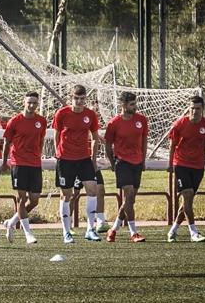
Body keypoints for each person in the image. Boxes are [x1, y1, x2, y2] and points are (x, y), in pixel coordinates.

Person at [52, 84, 102, 243]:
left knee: (93, 190)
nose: (79, 101)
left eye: (82, 98)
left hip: (84, 159)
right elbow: (56, 135)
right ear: (71, 98)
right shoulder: (62, 113)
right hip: (65, 159)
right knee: (66, 195)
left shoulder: (90, 115)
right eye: (76, 98)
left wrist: (93, 160)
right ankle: (66, 232)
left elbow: (95, 137)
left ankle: (90, 229)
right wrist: (58, 154)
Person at [0, 92, 46, 244]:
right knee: (21, 198)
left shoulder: (41, 121)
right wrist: (4, 162)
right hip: (19, 163)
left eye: (34, 102)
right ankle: (28, 234)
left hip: (35, 164)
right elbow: (7, 142)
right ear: (24, 102)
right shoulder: (15, 121)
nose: (32, 105)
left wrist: (38, 155)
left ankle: (11, 222)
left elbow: (41, 140)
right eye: (29, 102)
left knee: (34, 200)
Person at [167, 96, 205, 243]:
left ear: (202, 109)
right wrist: (170, 164)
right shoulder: (180, 124)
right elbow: (172, 145)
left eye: (197, 108)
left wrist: (202, 161)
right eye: (192, 108)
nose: (194, 111)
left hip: (197, 167)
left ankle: (172, 231)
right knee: (187, 195)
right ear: (189, 109)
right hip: (181, 164)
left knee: (187, 202)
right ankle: (193, 232)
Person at [104, 91, 148, 243]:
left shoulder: (141, 120)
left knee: (130, 200)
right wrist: (113, 163)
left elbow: (144, 140)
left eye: (135, 104)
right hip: (122, 162)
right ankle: (133, 232)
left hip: (137, 162)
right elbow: (108, 146)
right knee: (129, 195)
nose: (134, 107)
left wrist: (143, 160)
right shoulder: (114, 123)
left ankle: (113, 229)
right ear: (123, 105)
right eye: (131, 104)